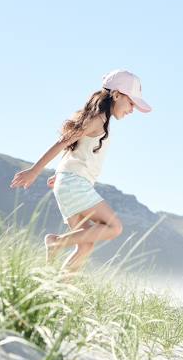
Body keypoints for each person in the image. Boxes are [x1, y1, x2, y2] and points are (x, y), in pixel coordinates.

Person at [10, 69, 152, 271]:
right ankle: (56, 242)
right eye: (131, 103)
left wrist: (60, 175)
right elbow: (63, 142)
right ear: (117, 94)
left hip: (70, 182)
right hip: (75, 184)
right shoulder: (97, 120)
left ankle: (58, 289)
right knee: (114, 227)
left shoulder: (101, 121)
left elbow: (76, 150)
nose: (132, 109)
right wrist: (34, 171)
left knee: (85, 246)